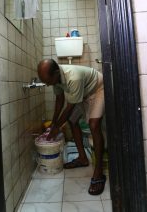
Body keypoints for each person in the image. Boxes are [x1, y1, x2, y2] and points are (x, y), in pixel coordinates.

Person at [37, 59, 106, 195]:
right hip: (84, 92)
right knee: (72, 121)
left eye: (47, 81)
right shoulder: (55, 78)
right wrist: (53, 123)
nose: (47, 84)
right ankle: (82, 158)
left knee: (93, 124)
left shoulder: (73, 77)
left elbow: (69, 107)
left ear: (56, 73)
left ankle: (98, 172)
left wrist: (56, 128)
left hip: (98, 88)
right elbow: (59, 100)